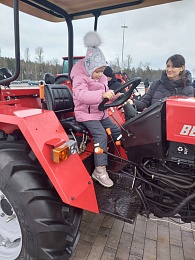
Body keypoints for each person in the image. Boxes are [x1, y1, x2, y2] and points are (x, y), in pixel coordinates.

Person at [70, 31, 122, 188]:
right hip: (86, 115)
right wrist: (102, 94)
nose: (100, 75)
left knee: (117, 131)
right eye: (97, 71)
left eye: (102, 71)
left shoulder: (102, 78)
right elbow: (82, 95)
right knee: (100, 135)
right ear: (88, 67)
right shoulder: (80, 78)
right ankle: (99, 171)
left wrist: (117, 96)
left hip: (99, 113)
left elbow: (106, 96)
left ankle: (120, 158)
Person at [129, 54, 194, 111]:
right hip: (154, 122)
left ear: (182, 68)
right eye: (168, 66)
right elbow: (144, 104)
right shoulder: (156, 84)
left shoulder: (188, 90)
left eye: (173, 67)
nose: (169, 70)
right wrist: (132, 103)